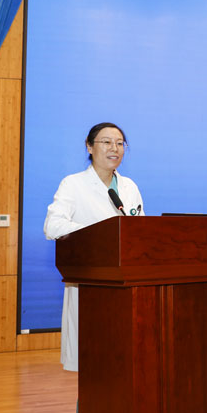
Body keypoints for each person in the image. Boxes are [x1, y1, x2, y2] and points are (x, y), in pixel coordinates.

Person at [43, 122, 144, 372]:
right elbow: (52, 226)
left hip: (126, 285)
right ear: (89, 147)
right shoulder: (73, 184)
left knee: (124, 362)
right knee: (93, 365)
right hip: (90, 283)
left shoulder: (129, 187)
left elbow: (139, 232)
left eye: (120, 143)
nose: (114, 148)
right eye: (106, 142)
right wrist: (102, 232)